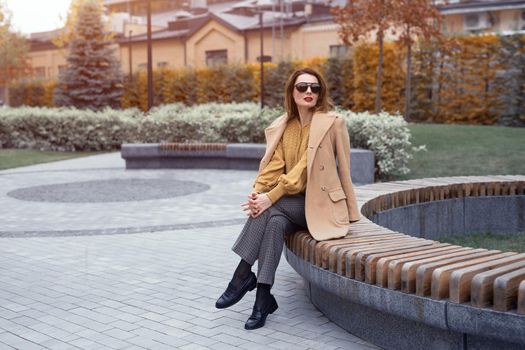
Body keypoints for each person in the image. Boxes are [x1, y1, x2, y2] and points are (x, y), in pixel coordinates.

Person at [215, 67, 360, 330]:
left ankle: (241, 275)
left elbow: (305, 169)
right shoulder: (284, 125)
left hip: (320, 205)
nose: (308, 92)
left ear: (320, 92)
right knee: (273, 222)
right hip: (292, 206)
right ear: (292, 92)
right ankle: (262, 298)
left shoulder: (332, 122)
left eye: (314, 88)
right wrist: (258, 192)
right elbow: (274, 165)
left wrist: (270, 197)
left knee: (272, 207)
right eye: (302, 87)